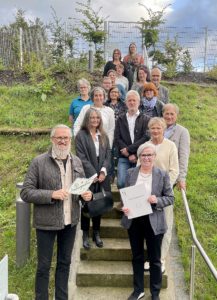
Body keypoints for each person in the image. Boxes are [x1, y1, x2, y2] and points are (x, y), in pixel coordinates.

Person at [20, 124, 92, 300]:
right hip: (46, 222)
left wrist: (85, 195)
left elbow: (80, 188)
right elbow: (26, 192)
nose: (62, 141)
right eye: (59, 138)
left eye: (66, 138)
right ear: (52, 139)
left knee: (64, 263)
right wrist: (51, 194)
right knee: (44, 266)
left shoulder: (77, 162)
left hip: (70, 221)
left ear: (70, 140)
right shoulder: (39, 162)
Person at [122, 143, 174, 300]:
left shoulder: (162, 174)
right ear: (139, 157)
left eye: (149, 155)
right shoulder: (131, 173)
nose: (146, 158)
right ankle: (138, 290)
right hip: (135, 221)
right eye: (143, 155)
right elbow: (126, 196)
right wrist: (125, 207)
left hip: (154, 221)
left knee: (155, 260)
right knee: (137, 257)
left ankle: (155, 293)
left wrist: (156, 200)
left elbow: (170, 198)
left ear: (154, 157)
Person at [141, 117, 179, 274]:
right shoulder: (145, 146)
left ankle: (161, 259)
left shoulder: (171, 146)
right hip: (146, 194)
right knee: (147, 227)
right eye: (152, 128)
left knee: (165, 226)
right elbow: (139, 167)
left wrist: (162, 188)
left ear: (163, 129)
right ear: (149, 130)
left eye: (158, 128)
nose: (155, 131)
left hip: (164, 194)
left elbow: (174, 170)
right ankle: (150, 257)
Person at [75, 108, 111, 249]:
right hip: (87, 176)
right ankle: (85, 234)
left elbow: (108, 154)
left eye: (97, 118)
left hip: (101, 176)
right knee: (86, 204)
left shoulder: (103, 135)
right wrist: (93, 174)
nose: (95, 120)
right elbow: (81, 157)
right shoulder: (81, 136)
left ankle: (96, 233)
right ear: (87, 119)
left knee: (99, 205)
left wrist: (103, 172)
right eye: (92, 118)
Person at [114, 90, 150, 191]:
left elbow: (146, 137)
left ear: (139, 102)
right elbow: (117, 138)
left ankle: (133, 205)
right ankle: (125, 203)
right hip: (124, 156)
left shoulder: (146, 119)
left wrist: (131, 151)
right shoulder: (120, 119)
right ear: (126, 103)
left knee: (136, 183)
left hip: (140, 157)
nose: (132, 102)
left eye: (134, 100)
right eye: (129, 100)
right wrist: (128, 154)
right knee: (121, 182)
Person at [163, 103, 190, 190]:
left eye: (172, 114)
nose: (169, 117)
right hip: (155, 171)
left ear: (176, 116)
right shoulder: (157, 128)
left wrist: (181, 178)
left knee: (165, 199)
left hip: (170, 173)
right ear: (162, 114)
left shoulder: (183, 132)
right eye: (167, 113)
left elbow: (183, 156)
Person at [105, 86, 127, 182]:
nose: (114, 94)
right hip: (107, 132)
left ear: (119, 94)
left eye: (116, 92)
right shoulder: (105, 105)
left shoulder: (124, 105)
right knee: (108, 153)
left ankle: (118, 174)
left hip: (120, 132)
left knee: (118, 153)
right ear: (109, 93)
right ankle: (110, 175)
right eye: (112, 92)